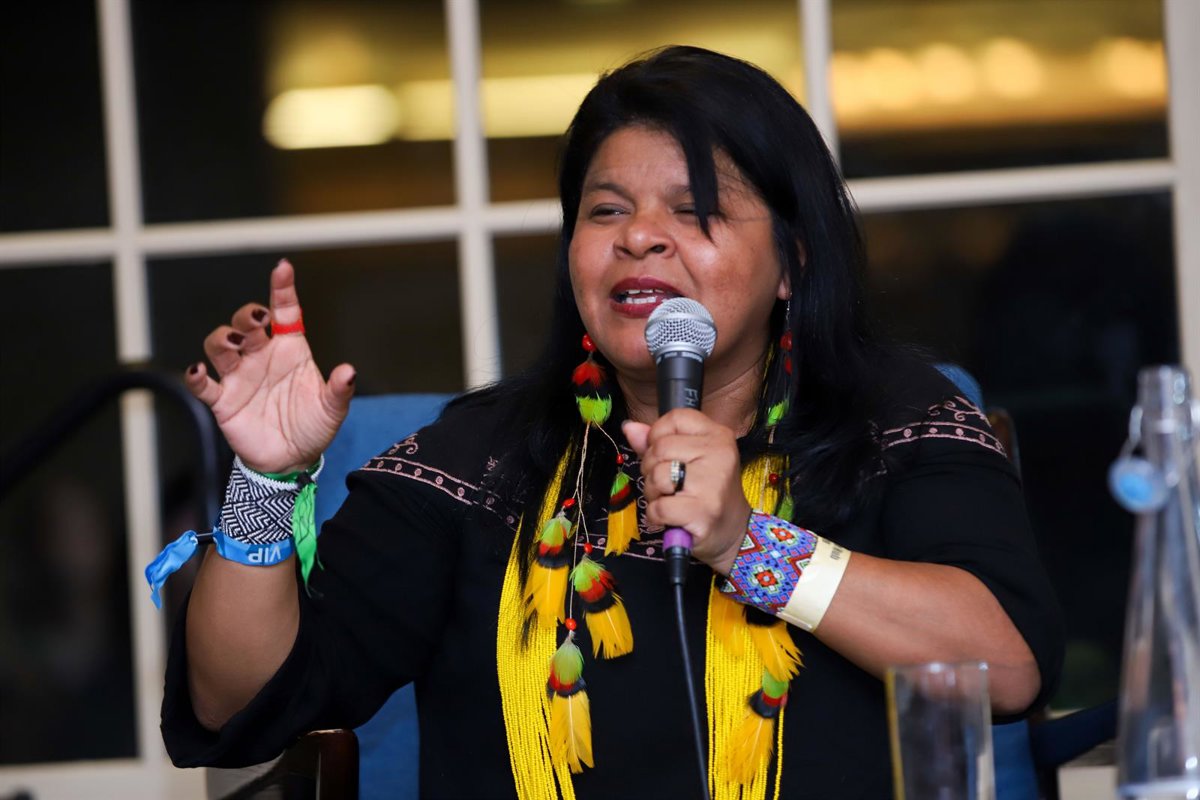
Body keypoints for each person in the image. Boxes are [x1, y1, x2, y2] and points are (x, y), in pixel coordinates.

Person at [161, 46, 1063, 799]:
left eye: (694, 210)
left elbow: (1006, 666)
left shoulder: (889, 422)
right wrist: (264, 483)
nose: (638, 237)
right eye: (606, 211)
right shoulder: (479, 463)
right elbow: (239, 705)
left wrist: (750, 546)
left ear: (791, 261)